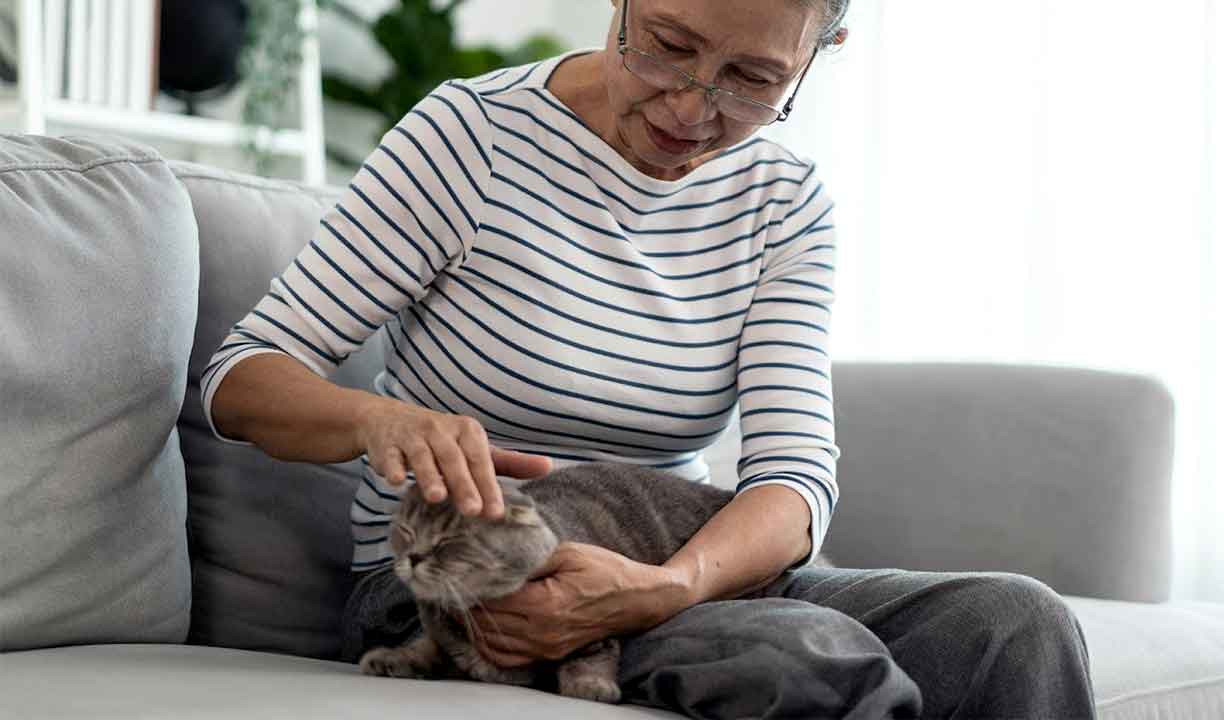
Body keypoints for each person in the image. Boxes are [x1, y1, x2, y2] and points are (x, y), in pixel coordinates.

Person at [201, 0, 1097, 717]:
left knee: (1014, 622)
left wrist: (667, 587)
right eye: (668, 47)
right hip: (460, 582)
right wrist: (379, 419)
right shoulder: (472, 140)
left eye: (752, 81)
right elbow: (242, 377)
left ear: (819, 56)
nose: (690, 109)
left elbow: (792, 482)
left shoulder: (783, 204)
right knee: (795, 655)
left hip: (681, 572)